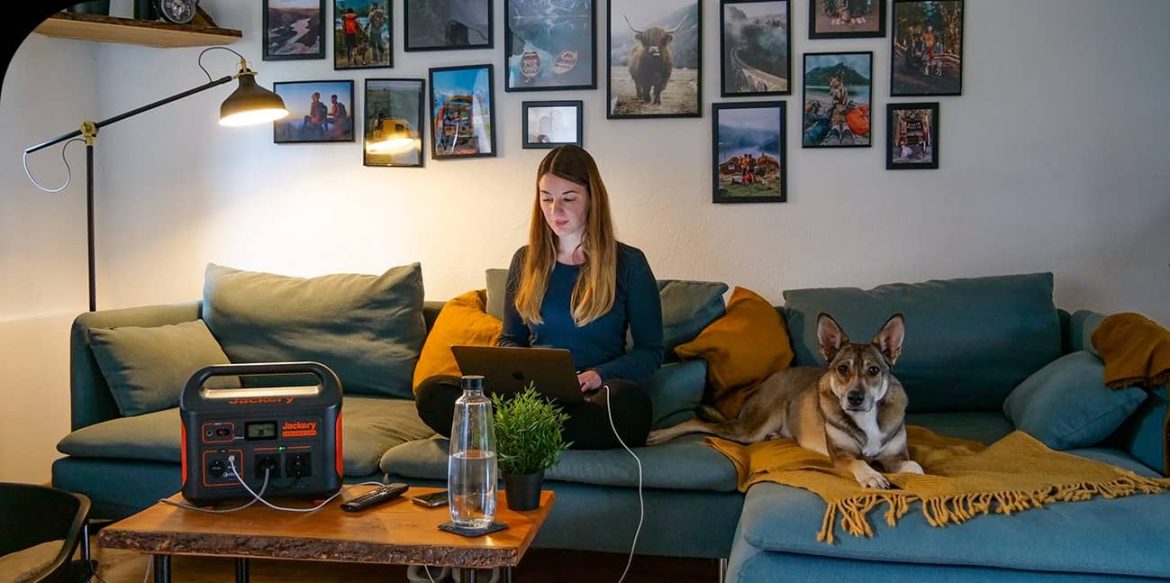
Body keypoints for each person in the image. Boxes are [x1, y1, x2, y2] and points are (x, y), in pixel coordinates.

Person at [415, 145, 664, 449]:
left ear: (592, 199)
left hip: (594, 397)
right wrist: (519, 376)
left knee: (630, 406)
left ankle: (512, 434)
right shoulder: (525, 260)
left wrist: (599, 375)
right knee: (433, 392)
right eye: (546, 198)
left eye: (568, 199)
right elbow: (511, 340)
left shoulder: (629, 264)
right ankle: (535, 432)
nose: (555, 211)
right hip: (531, 396)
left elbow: (651, 352)